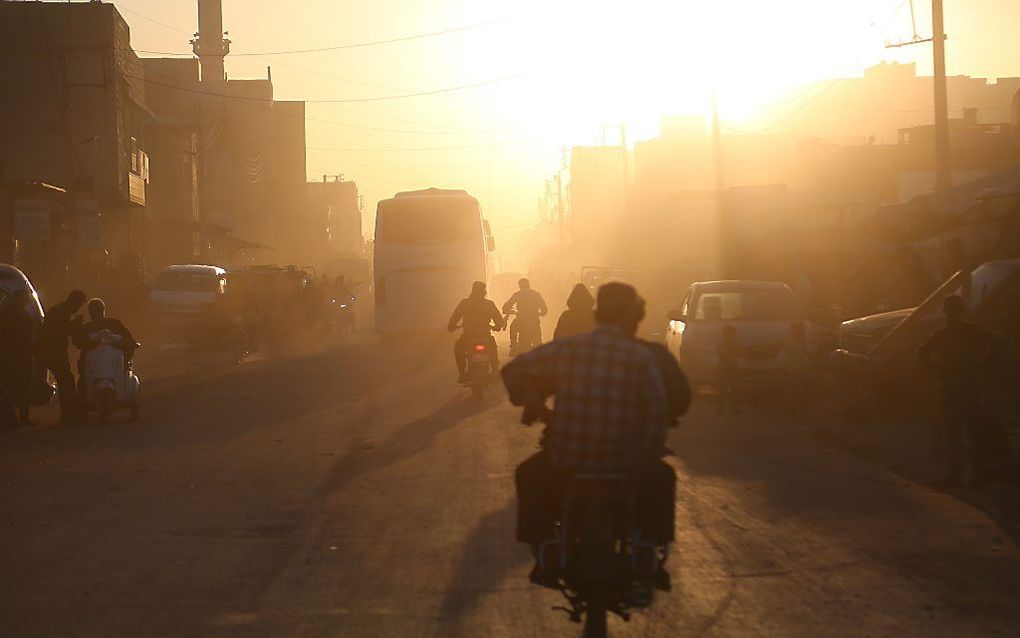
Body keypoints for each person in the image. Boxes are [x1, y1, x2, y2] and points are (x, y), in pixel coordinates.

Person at [502, 283, 674, 586]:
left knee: (528, 475)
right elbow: (658, 412)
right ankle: (647, 550)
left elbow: (512, 372)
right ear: (634, 317)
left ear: (597, 314)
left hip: (568, 459)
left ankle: (546, 548)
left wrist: (537, 407)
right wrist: (648, 447)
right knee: (664, 478)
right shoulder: (641, 358)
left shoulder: (570, 348)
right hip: (625, 463)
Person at [918, 295, 1004, 486]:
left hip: (959, 386)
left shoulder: (947, 334)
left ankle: (966, 474)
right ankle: (971, 473)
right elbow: (922, 353)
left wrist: (937, 370)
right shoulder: (962, 333)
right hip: (961, 386)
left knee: (962, 432)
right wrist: (983, 365)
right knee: (964, 432)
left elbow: (922, 353)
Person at [37, 290, 86, 423]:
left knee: (66, 380)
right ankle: (69, 413)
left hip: (54, 352)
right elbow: (59, 332)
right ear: (75, 303)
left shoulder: (59, 311)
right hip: (53, 352)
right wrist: (75, 325)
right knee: (66, 380)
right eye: (79, 305)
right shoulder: (60, 313)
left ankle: (69, 412)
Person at [74, 298, 136, 401]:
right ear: (90, 312)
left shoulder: (115, 324)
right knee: (82, 379)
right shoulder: (86, 327)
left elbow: (128, 339)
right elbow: (78, 340)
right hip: (94, 364)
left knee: (125, 369)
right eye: (94, 311)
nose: (97, 313)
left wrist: (126, 342)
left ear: (103, 310)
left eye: (98, 310)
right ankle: (83, 405)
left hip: (114, 363)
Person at [448, 281, 505, 384]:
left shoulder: (464, 303)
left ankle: (462, 373)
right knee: (493, 351)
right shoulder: (489, 304)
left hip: (467, 337)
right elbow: (499, 321)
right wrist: (497, 327)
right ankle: (495, 371)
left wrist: (451, 327)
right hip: (485, 336)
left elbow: (454, 319)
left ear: (473, 290)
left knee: (459, 349)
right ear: (484, 292)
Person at [0, 290, 36, 426]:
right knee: (22, 390)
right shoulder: (25, 318)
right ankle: (21, 418)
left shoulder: (5, 315)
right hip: (18, 357)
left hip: (8, 357)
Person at [502, 278, 548, 354]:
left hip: (521, 320)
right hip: (534, 321)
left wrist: (509, 311)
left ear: (520, 286)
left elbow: (507, 306)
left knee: (513, 327)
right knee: (538, 344)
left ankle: (513, 346)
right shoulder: (536, 294)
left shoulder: (517, 294)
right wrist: (539, 314)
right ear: (528, 285)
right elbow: (544, 310)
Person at [780, 321, 810, 415]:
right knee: (794, 389)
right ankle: (793, 408)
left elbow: (804, 353)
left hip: (795, 368)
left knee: (792, 389)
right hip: (796, 367)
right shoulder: (797, 340)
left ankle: (790, 408)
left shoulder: (795, 341)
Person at [717, 324, 741, 414]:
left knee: (727, 388)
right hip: (729, 367)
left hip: (727, 367)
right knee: (730, 388)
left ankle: (723, 407)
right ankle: (726, 407)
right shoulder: (732, 344)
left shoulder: (723, 344)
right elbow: (738, 353)